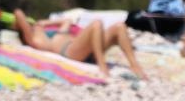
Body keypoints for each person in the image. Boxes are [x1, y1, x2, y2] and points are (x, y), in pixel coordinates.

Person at [13, 9, 148, 80]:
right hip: (71, 52)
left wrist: (45, 23)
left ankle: (135, 66)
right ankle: (102, 65)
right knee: (96, 24)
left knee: (119, 27)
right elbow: (18, 12)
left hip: (84, 48)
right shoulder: (34, 40)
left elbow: (66, 21)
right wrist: (36, 26)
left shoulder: (52, 33)